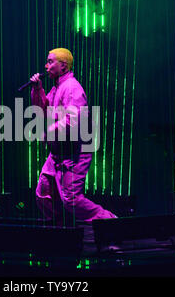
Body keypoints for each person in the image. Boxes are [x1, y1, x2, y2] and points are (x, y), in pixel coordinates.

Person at [29, 48, 117, 225]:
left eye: (50, 61)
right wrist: (38, 90)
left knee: (72, 200)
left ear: (63, 66)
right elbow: (43, 112)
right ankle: (60, 227)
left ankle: (110, 223)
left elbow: (74, 120)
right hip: (59, 152)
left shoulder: (71, 87)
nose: (46, 66)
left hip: (75, 152)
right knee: (44, 191)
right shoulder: (58, 87)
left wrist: (49, 132)